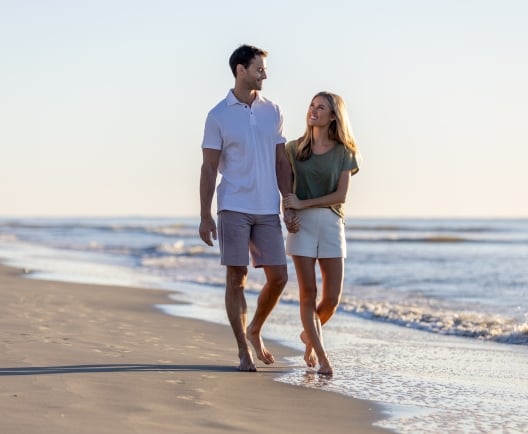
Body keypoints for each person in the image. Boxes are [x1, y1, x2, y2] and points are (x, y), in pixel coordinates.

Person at [199, 44, 298, 372]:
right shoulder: (218, 115)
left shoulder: (274, 111)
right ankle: (243, 349)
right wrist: (204, 215)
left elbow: (281, 160)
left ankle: (254, 328)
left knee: (279, 276)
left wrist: (288, 200)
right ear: (240, 70)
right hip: (233, 207)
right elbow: (209, 168)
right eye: (259, 68)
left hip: (268, 208)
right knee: (236, 276)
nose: (265, 74)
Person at [282, 91, 360, 376]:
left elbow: (341, 196)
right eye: (312, 105)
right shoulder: (293, 149)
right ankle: (322, 355)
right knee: (307, 294)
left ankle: (308, 335)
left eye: (321, 107)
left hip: (330, 223)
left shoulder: (345, 152)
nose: (313, 111)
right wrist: (289, 210)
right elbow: (286, 190)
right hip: (301, 225)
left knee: (331, 298)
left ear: (333, 116)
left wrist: (304, 202)